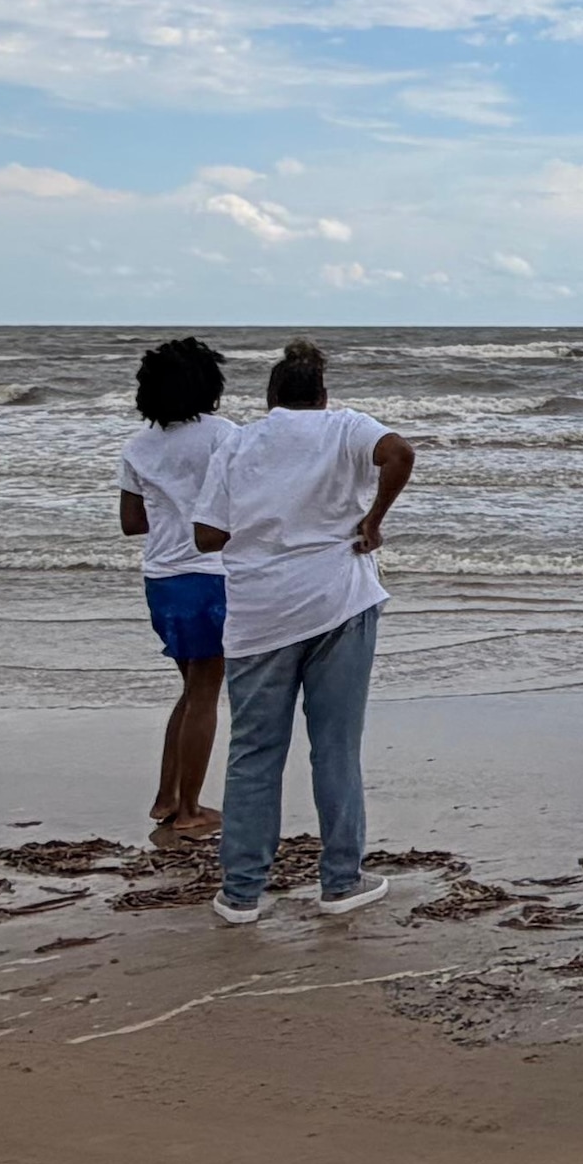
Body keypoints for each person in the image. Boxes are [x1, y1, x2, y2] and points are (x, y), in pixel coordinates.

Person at [191, 339, 412, 926]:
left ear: (270, 398)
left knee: (254, 753)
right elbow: (399, 453)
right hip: (339, 598)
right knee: (335, 747)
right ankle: (340, 879)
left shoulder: (238, 442)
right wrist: (372, 520)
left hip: (261, 612)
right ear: (323, 395)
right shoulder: (346, 427)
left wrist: (263, 528)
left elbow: (207, 536)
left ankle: (241, 891)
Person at [116, 335, 232, 844]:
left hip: (161, 578)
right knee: (206, 693)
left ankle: (167, 796)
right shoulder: (225, 435)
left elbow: (131, 522)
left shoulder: (138, 446)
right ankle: (188, 808)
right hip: (212, 576)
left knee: (190, 690)